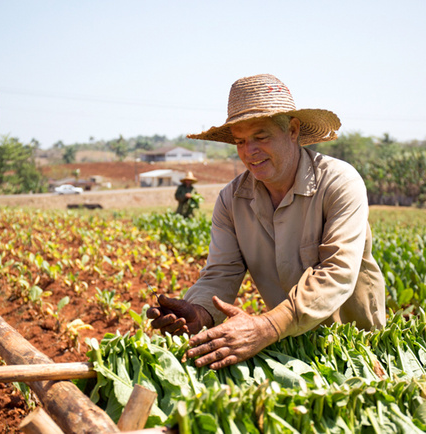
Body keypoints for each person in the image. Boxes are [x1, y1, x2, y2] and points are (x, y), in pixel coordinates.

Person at [148, 74, 386, 370]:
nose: (249, 152)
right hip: (291, 348)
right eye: (240, 142)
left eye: (261, 137)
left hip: (358, 348)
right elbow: (221, 273)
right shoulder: (231, 201)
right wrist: (199, 313)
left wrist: (267, 327)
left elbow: (338, 272)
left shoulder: (338, 182)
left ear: (293, 131)